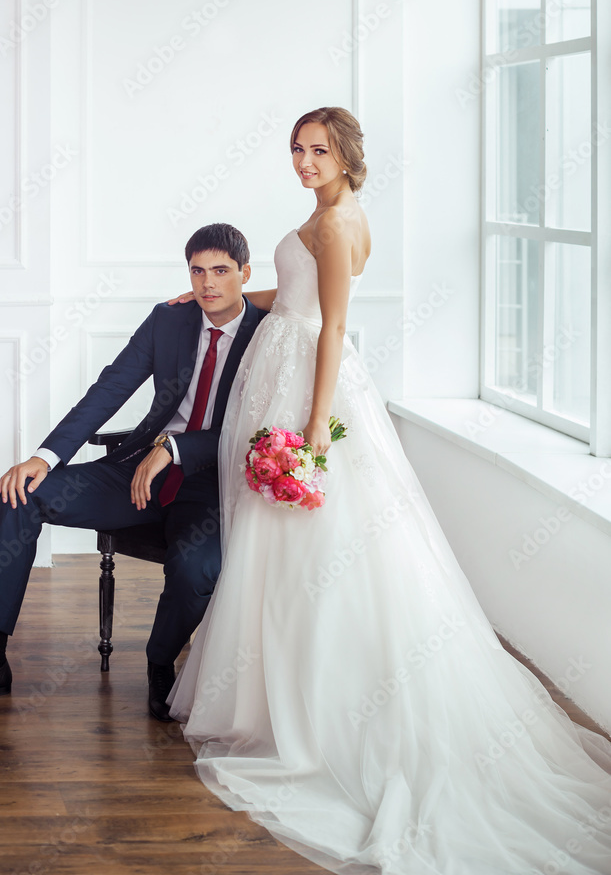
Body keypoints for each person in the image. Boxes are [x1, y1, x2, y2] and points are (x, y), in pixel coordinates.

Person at [166, 108, 611, 874]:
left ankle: (313, 712)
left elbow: (332, 326)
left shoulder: (340, 223)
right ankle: (271, 691)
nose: (304, 162)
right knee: (279, 548)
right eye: (297, 150)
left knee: (315, 548)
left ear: (345, 156)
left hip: (310, 390)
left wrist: (309, 431)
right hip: (286, 370)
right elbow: (299, 296)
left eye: (318, 151)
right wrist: (226, 301)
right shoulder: (324, 218)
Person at [0, 224, 266, 722]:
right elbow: (109, 388)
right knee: (21, 494)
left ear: (245, 273)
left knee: (196, 568)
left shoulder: (266, 333)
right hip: (136, 472)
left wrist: (178, 448)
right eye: (198, 271)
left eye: (221, 271)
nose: (208, 284)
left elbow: (256, 430)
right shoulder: (169, 320)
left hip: (212, 482)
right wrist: (46, 457)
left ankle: (160, 663)